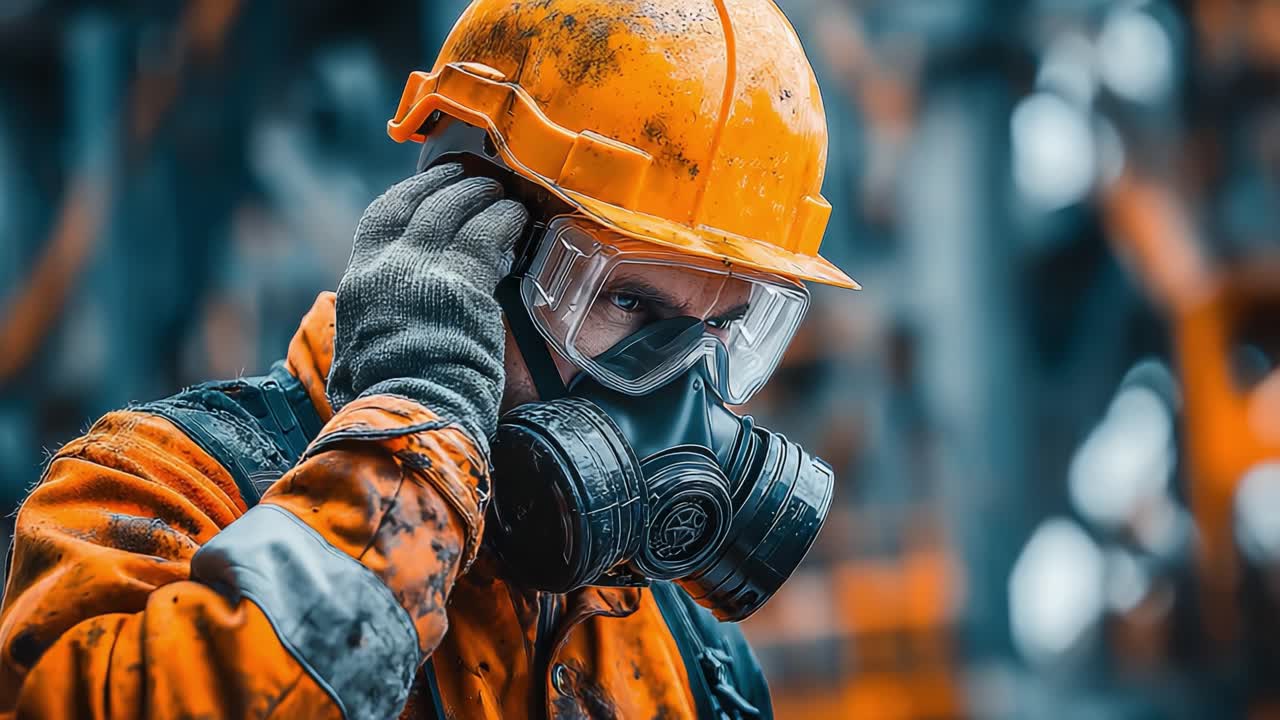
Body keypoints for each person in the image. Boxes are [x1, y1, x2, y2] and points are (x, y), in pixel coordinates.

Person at [0, 0, 857, 717]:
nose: (682, 392)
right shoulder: (162, 492)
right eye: (627, 304)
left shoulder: (692, 654)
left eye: (727, 332)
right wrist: (411, 450)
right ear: (461, 242)